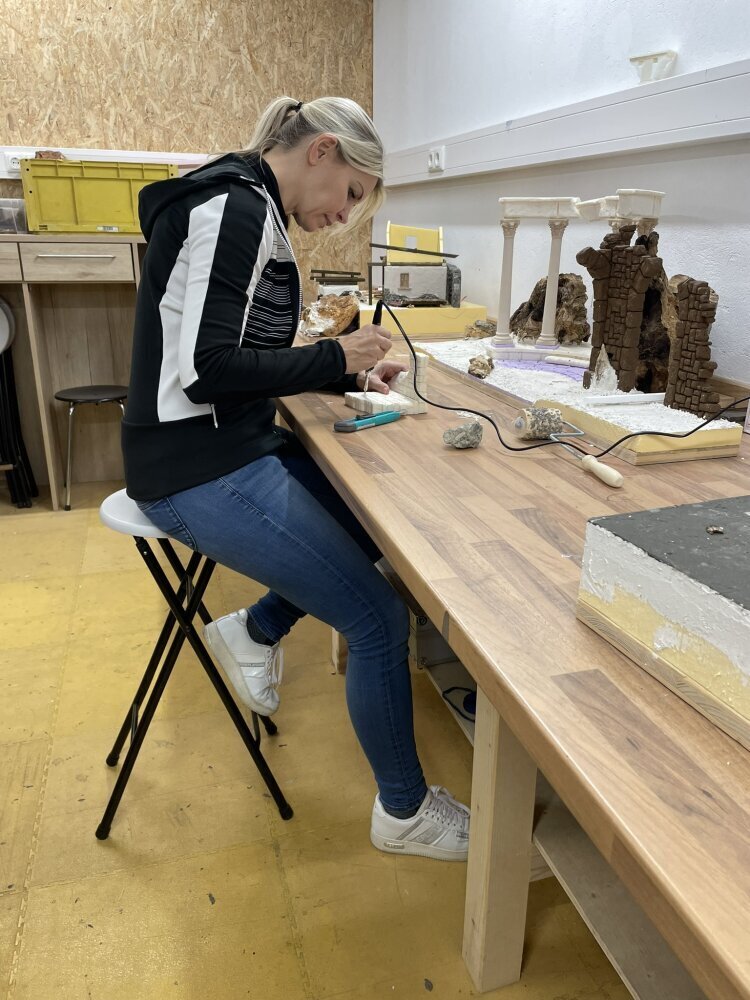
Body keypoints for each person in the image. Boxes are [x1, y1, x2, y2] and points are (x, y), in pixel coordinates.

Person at [122, 95, 470, 861]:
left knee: (371, 509)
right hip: (192, 467)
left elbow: (242, 361)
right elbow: (207, 371)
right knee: (377, 620)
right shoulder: (234, 209)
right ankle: (405, 813)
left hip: (228, 445)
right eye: (350, 193)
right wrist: (334, 357)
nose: (343, 215)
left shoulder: (256, 210)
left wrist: (343, 376)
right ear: (321, 151)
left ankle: (254, 630)